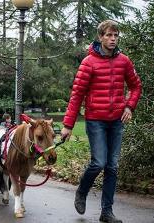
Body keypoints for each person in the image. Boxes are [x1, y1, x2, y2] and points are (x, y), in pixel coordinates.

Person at [61, 20, 142, 223]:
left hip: (116, 121)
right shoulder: (88, 62)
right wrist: (68, 125)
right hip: (95, 120)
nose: (113, 39)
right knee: (99, 163)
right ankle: (82, 190)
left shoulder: (124, 61)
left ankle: (107, 212)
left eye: (115, 35)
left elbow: (136, 86)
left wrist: (129, 106)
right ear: (100, 37)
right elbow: (77, 95)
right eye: (108, 35)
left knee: (112, 166)